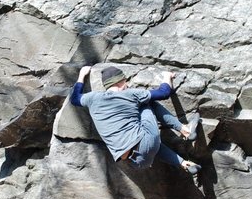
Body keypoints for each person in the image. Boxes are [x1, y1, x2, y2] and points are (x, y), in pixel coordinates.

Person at [70, 65, 201, 175]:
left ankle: (184, 163)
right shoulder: (130, 94)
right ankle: (185, 130)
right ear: (120, 82)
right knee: (147, 102)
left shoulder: (92, 98)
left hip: (136, 162)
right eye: (125, 81)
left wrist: (82, 75)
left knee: (146, 144)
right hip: (147, 140)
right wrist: (167, 77)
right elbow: (163, 93)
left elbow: (74, 99)